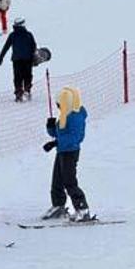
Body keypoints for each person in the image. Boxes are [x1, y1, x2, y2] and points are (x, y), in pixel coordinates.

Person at [41, 87, 91, 222]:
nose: (58, 107)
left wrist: (55, 143)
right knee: (57, 180)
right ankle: (58, 205)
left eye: (59, 105)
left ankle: (82, 208)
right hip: (62, 151)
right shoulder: (65, 114)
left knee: (69, 181)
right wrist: (51, 127)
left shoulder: (76, 117)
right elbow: (59, 133)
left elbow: (75, 137)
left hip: (70, 152)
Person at [0, 17, 37, 102]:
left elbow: (6, 46)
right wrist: (34, 57)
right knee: (27, 76)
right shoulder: (29, 34)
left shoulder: (12, 35)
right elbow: (34, 46)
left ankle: (19, 93)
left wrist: (1, 57)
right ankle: (27, 90)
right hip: (28, 59)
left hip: (16, 60)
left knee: (17, 77)